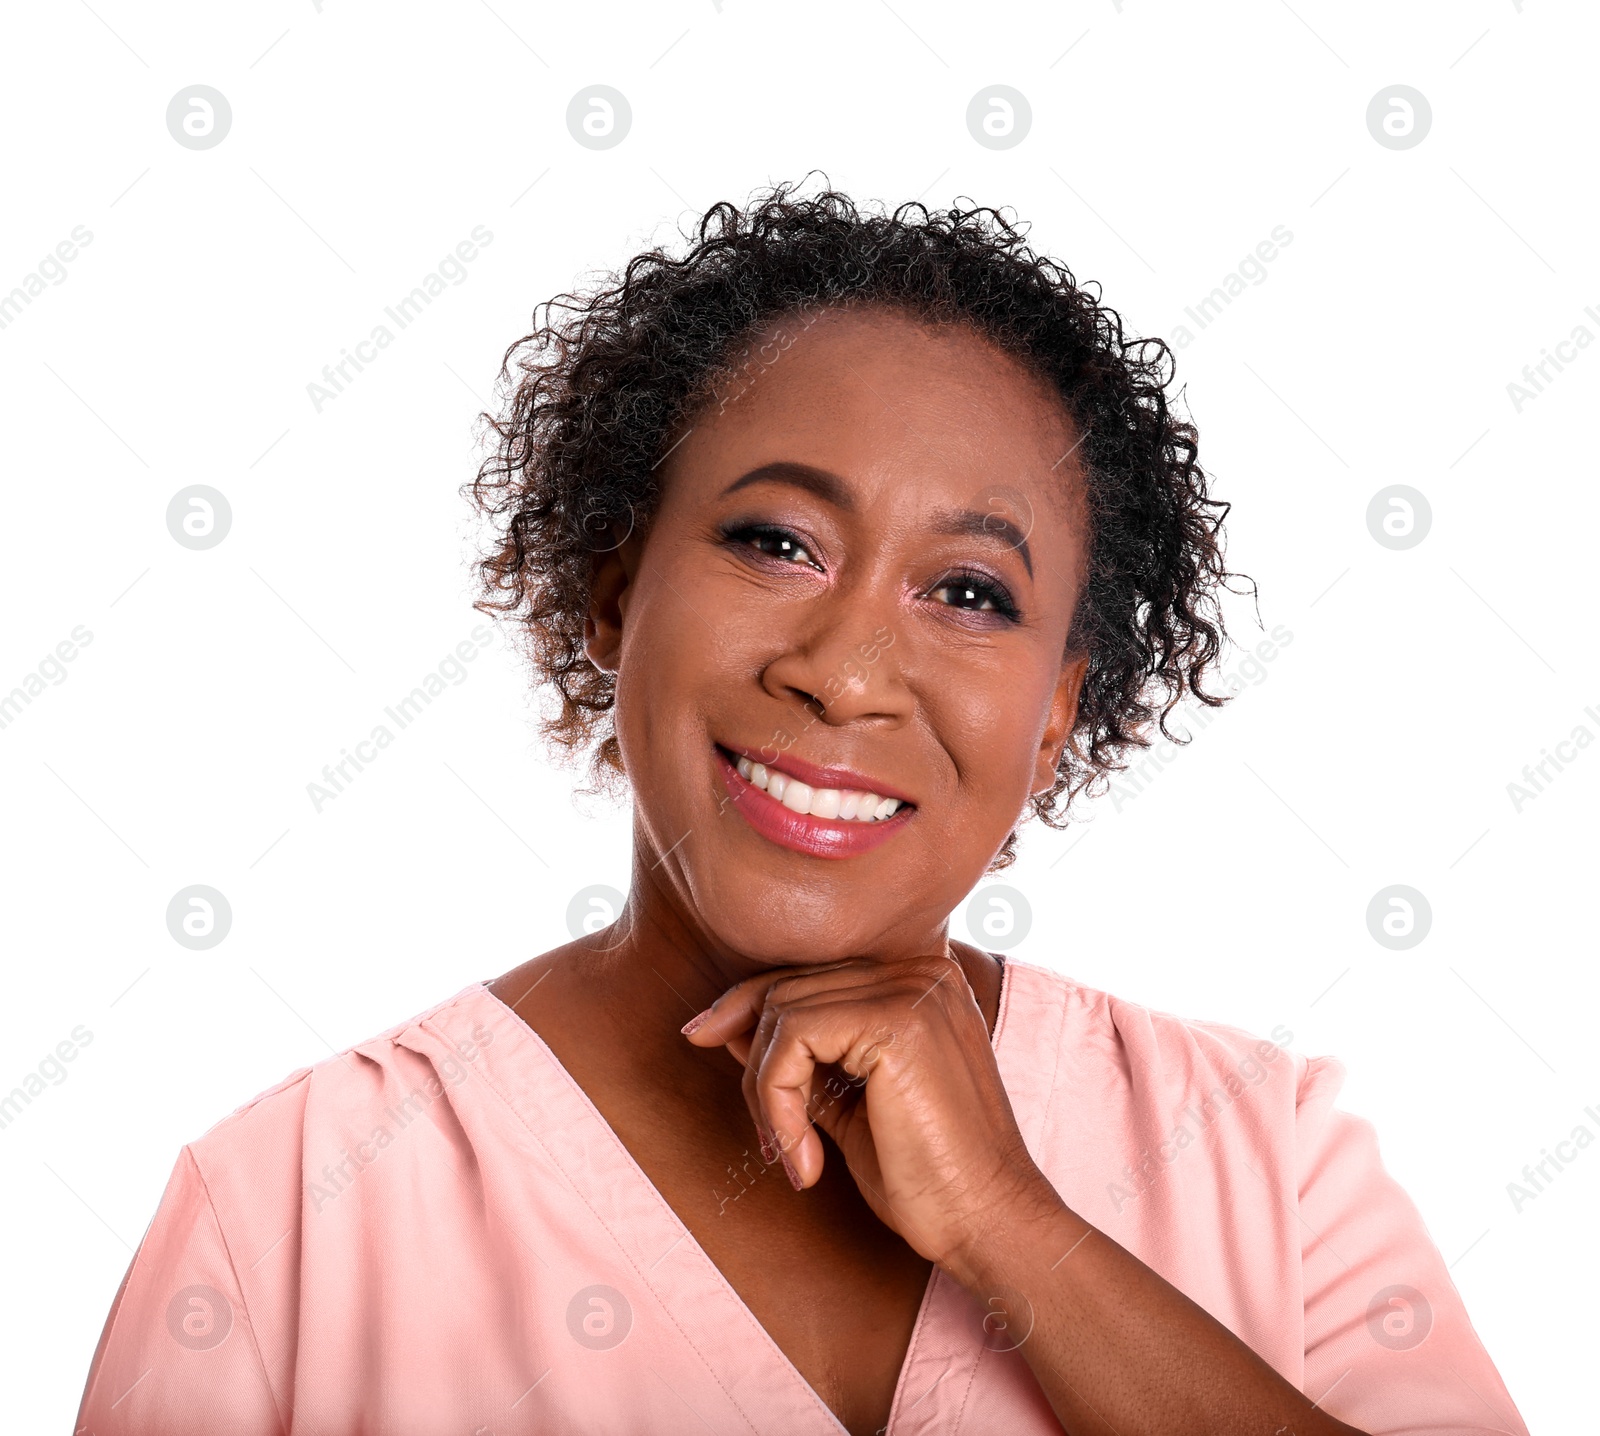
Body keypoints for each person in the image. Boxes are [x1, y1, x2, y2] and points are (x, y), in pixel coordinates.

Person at [76, 184, 1528, 1435]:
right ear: (610, 591)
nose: (843, 675)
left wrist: (1015, 1231)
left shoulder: (1268, 1163)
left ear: (1057, 717)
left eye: (969, 592)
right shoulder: (284, 1221)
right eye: (776, 543)